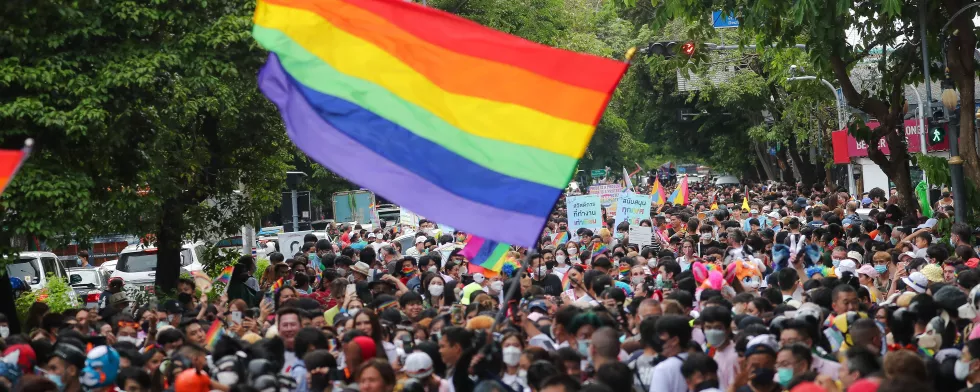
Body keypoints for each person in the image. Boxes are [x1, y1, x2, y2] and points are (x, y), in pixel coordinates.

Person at [648, 315, 691, 392]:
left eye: (661, 334)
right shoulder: (698, 360)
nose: (658, 339)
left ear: (675, 340)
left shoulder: (663, 368)